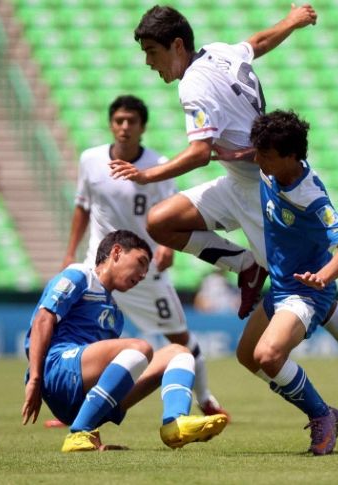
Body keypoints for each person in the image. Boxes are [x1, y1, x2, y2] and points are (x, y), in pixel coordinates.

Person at [110, 4, 318, 320]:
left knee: (301, 290)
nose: (149, 62)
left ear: (177, 45)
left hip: (261, 191)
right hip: (237, 182)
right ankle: (245, 265)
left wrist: (146, 175)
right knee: (160, 222)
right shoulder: (218, 52)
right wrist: (291, 21)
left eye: (152, 52)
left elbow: (200, 153)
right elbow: (257, 43)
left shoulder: (192, 86)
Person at [235, 110, 338, 455]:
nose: (257, 160)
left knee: (268, 355)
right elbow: (249, 154)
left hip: (304, 292)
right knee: (246, 356)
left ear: (290, 157)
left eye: (264, 155)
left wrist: (323, 277)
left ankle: (321, 415)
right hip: (282, 287)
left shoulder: (310, 197)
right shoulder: (272, 170)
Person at [60, 95, 229, 420]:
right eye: (119, 121)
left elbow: (171, 210)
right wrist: (70, 252)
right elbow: (82, 206)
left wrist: (167, 247)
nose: (124, 127)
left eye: (131, 121)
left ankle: (205, 397)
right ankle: (73, 407)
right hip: (101, 268)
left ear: (142, 127)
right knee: (85, 339)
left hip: (144, 270)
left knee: (179, 336)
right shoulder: (90, 160)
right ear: (111, 124)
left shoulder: (158, 163)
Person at [21, 230, 228, 451]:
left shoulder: (115, 314)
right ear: (117, 252)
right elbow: (43, 320)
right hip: (57, 370)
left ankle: (174, 423)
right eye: (141, 262)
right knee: (140, 348)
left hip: (80, 397)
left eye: (146, 270)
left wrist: (97, 444)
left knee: (179, 352)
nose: (143, 275)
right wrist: (35, 378)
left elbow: (107, 375)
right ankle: (79, 431)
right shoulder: (80, 275)